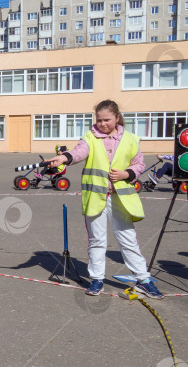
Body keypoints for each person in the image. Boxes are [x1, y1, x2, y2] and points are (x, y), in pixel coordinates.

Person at [46, 99, 164, 299]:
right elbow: (78, 152)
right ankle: (97, 280)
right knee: (97, 241)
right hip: (96, 198)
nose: (102, 124)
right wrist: (64, 158)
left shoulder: (131, 139)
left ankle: (143, 280)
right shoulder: (90, 137)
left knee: (128, 240)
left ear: (117, 118)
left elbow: (139, 164)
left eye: (107, 120)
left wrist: (127, 174)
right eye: (99, 120)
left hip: (121, 198)